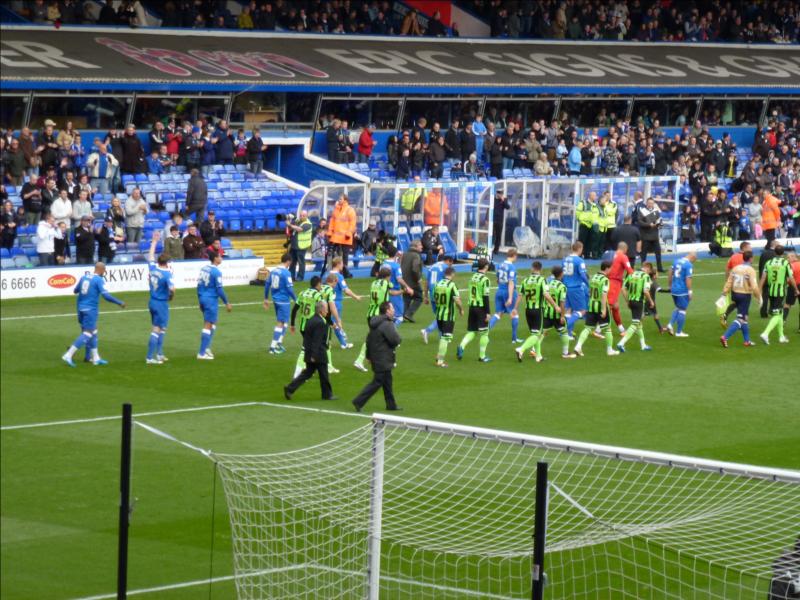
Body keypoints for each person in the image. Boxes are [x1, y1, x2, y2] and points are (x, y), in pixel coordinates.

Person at [61, 262, 126, 368]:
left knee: (94, 331)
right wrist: (119, 302)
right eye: (104, 270)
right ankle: (68, 355)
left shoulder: (84, 277)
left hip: (81, 309)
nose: (104, 272)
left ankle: (95, 358)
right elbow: (106, 296)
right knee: (87, 333)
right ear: (100, 269)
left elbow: (75, 290)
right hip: (90, 310)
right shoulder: (99, 280)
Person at [352, 301, 402, 412]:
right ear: (387, 310)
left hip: (377, 357)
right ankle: (358, 401)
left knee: (387, 381)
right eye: (392, 308)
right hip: (383, 358)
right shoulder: (387, 324)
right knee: (378, 382)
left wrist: (368, 356)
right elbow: (395, 340)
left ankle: (391, 405)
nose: (394, 310)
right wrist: (398, 340)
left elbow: (368, 340)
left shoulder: (374, 323)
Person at [284, 301, 336, 401]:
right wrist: (314, 355)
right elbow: (317, 340)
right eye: (326, 309)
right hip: (318, 353)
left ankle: (290, 388)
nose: (327, 311)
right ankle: (327, 395)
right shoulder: (320, 323)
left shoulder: (311, 320)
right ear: (321, 310)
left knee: (307, 373)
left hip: (309, 351)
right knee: (324, 374)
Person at [514, 261, 559, 363]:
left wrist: (515, 308)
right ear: (540, 269)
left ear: (532, 268)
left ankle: (538, 356)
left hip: (528, 310)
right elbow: (546, 295)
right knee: (537, 334)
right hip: (538, 310)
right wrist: (555, 305)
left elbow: (520, 295)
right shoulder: (542, 280)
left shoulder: (525, 280)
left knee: (534, 334)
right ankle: (521, 349)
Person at [354, 267, 397, 372]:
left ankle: (376, 359)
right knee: (387, 336)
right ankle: (360, 360)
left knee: (374, 337)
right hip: (380, 315)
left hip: (370, 313)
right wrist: (403, 290)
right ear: (387, 276)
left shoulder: (373, 283)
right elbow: (391, 288)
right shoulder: (386, 283)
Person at [573, 262, 619, 357]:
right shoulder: (605, 280)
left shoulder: (594, 277)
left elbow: (590, 291)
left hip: (591, 305)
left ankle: (578, 346)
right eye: (610, 268)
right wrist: (604, 309)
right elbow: (604, 294)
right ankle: (610, 350)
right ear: (606, 268)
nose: (611, 270)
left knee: (588, 328)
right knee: (607, 329)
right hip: (600, 306)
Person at [719, 250, 760, 348]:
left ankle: (747, 341)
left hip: (735, 294)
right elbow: (754, 286)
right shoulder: (750, 270)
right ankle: (725, 337)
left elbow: (729, 282)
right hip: (744, 295)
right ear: (751, 259)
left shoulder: (736, 268)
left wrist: (724, 293)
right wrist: (759, 297)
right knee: (741, 319)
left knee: (745, 318)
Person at [196, 251, 232, 360]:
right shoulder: (216, 272)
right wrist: (227, 302)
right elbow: (219, 289)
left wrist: (199, 300)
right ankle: (201, 353)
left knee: (213, 322)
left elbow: (198, 285)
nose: (221, 258)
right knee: (208, 324)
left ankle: (206, 347)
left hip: (203, 297)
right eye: (220, 256)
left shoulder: (204, 269)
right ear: (215, 258)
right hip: (210, 299)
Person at [759, 245, 798, 345]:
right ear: (783, 253)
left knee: (779, 314)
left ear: (774, 252)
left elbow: (763, 278)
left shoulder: (769, 263)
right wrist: (796, 289)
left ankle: (781, 337)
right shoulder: (785, 263)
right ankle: (765, 333)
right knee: (777, 315)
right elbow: (791, 278)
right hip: (779, 292)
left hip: (770, 291)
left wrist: (759, 290)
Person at [146, 232, 175, 364]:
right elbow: (172, 289)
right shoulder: (167, 274)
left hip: (152, 301)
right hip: (161, 303)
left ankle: (160, 353)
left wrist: (154, 241)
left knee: (161, 328)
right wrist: (171, 296)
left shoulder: (152, 268)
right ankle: (150, 357)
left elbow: (150, 255)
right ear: (167, 263)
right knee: (157, 329)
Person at [456, 258, 492, 363]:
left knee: (472, 331)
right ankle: (482, 356)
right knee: (485, 333)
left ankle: (462, 345)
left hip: (472, 307)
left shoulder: (473, 277)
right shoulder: (485, 280)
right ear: (485, 266)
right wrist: (488, 312)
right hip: (481, 308)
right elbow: (485, 297)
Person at [616, 265, 656, 353]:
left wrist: (627, 301)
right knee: (635, 323)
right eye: (650, 271)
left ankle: (643, 345)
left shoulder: (631, 274)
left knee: (639, 323)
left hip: (631, 301)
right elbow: (645, 291)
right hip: (639, 302)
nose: (649, 273)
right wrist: (651, 301)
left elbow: (623, 289)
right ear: (647, 269)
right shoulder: (645, 277)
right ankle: (621, 343)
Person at [540, 266, 576, 360]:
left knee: (543, 332)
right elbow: (562, 303)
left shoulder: (548, 283)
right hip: (556, 313)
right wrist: (562, 316)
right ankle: (565, 353)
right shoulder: (562, 287)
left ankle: (533, 349)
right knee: (564, 332)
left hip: (547, 312)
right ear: (561, 274)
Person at [291, 277, 324, 379]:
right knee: (306, 349)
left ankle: (310, 370)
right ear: (317, 284)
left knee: (311, 348)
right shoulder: (318, 296)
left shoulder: (302, 293)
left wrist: (292, 324)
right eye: (321, 284)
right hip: (313, 326)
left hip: (303, 326)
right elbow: (322, 311)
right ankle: (297, 374)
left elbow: (295, 309)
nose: (321, 286)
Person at [264, 252, 296, 354]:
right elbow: (290, 289)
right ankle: (272, 347)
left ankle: (279, 342)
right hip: (283, 301)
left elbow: (267, 285)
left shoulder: (273, 271)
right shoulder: (286, 273)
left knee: (284, 321)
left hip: (276, 300)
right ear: (288, 261)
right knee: (281, 323)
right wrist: (296, 299)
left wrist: (266, 298)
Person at [433, 266, 463, 368]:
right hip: (448, 316)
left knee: (443, 336)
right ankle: (440, 361)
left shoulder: (437, 284)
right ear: (452, 274)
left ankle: (439, 355)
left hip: (439, 315)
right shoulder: (451, 285)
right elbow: (457, 300)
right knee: (445, 338)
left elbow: (434, 297)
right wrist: (461, 309)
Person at [488, 248, 520, 342]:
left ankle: (485, 333)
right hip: (508, 291)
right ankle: (514, 339)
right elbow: (511, 282)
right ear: (514, 256)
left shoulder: (500, 265)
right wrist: (510, 297)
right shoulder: (512, 267)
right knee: (514, 313)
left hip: (499, 291)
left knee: (498, 313)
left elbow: (497, 279)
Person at [329, 256, 361, 349]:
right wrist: (356, 297)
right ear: (338, 264)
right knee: (335, 322)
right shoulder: (339, 276)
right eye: (342, 263)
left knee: (331, 322)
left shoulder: (327, 275)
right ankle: (343, 342)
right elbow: (346, 290)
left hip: (327, 302)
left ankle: (341, 341)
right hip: (336, 303)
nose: (343, 265)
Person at [420, 254, 453, 344]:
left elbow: (426, 282)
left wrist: (425, 296)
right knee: (442, 316)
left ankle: (441, 336)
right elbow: (448, 282)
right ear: (449, 261)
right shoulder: (446, 267)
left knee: (439, 315)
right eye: (451, 264)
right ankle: (427, 330)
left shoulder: (432, 267)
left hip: (432, 294)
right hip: (440, 293)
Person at [721, 241, 753, 326]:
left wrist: (728, 281)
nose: (751, 249)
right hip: (744, 285)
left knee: (736, 302)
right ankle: (742, 322)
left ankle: (726, 315)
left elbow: (727, 269)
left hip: (735, 284)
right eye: (749, 248)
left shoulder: (733, 257)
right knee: (744, 303)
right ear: (744, 248)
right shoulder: (746, 257)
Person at [666, 251, 696, 337]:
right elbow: (688, 278)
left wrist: (669, 285)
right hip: (682, 290)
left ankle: (670, 324)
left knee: (678, 308)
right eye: (694, 260)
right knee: (682, 310)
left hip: (674, 289)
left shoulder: (676, 261)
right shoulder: (688, 265)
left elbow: (669, 273)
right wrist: (689, 290)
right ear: (692, 257)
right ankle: (679, 332)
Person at [563, 241, 590, 336]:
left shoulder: (565, 259)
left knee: (568, 310)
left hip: (565, 287)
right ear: (579, 249)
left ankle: (569, 334)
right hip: (575, 288)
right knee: (582, 311)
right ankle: (564, 329)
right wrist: (588, 285)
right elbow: (583, 275)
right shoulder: (579, 261)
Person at [607, 242, 635, 334]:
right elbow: (629, 270)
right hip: (614, 283)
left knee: (615, 306)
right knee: (609, 306)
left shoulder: (610, 254)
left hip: (607, 280)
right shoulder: (623, 256)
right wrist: (637, 278)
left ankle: (622, 329)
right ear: (625, 249)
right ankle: (598, 329)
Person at [327, 194, 356, 277]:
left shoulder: (350, 210)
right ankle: (335, 271)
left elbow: (352, 223)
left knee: (345, 256)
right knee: (334, 254)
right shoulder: (336, 209)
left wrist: (349, 232)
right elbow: (332, 221)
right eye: (339, 199)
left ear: (345, 200)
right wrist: (330, 232)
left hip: (345, 237)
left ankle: (345, 272)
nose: (339, 200)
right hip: (336, 237)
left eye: (340, 199)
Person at [384, 246, 414, 325]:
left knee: (387, 315)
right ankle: (389, 333)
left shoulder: (383, 264)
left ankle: (386, 333)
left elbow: (396, 268)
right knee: (399, 317)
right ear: (395, 253)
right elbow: (399, 279)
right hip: (395, 292)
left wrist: (399, 259)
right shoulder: (395, 266)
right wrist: (407, 288)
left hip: (384, 292)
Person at [637, 197, 664, 272]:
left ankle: (660, 268)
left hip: (655, 236)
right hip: (645, 236)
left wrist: (660, 224)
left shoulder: (656, 211)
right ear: (646, 203)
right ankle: (643, 268)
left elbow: (660, 220)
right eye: (649, 203)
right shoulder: (642, 210)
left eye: (652, 203)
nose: (650, 204)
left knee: (658, 252)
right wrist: (649, 224)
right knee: (644, 254)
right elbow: (639, 222)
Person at [401, 239, 425, 323]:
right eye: (420, 245)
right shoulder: (416, 256)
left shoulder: (405, 254)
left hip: (404, 281)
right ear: (415, 246)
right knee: (419, 297)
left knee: (406, 297)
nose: (422, 247)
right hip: (413, 282)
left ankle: (404, 315)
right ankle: (408, 314)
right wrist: (418, 279)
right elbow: (415, 269)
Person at [287, 210, 312, 281]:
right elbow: (294, 218)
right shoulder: (298, 221)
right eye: (301, 215)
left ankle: (300, 277)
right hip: (294, 245)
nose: (301, 217)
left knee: (301, 263)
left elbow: (299, 229)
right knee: (292, 262)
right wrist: (290, 217)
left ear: (307, 216)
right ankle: (291, 277)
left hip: (301, 246)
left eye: (303, 216)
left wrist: (290, 225)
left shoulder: (308, 224)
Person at [575, 192, 600, 259]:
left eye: (595, 195)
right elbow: (578, 212)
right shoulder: (583, 203)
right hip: (584, 224)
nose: (595, 196)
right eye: (594, 195)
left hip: (592, 225)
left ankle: (587, 255)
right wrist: (580, 219)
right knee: (582, 240)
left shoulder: (595, 205)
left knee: (589, 241)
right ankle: (579, 254)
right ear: (590, 196)